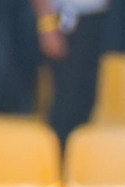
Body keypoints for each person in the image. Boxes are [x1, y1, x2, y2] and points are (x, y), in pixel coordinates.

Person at [29, 0, 110, 143]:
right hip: (66, 18)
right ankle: (55, 153)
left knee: (85, 101)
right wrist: (46, 24)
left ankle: (75, 153)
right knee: (66, 104)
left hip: (96, 16)